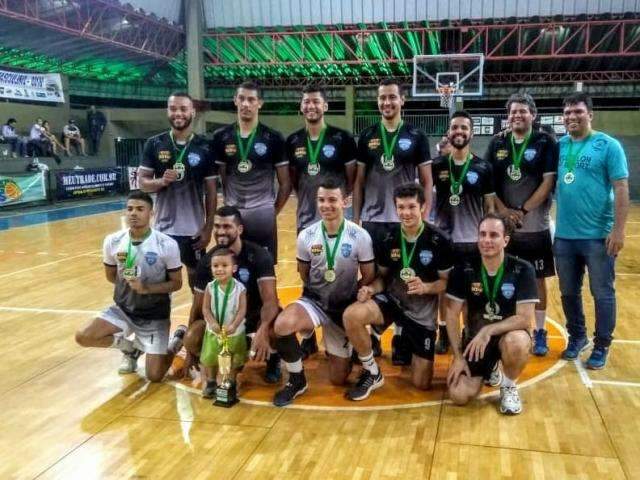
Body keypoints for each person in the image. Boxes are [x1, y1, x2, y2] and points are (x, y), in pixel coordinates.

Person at [342, 183, 453, 401]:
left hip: (420, 313)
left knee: (422, 384)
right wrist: (370, 289)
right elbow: (382, 278)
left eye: (411, 206)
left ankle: (405, 340)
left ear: (422, 207)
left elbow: (447, 283)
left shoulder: (439, 240)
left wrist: (427, 287)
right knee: (352, 315)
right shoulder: (388, 237)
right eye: (401, 207)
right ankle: (372, 372)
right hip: (392, 301)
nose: (406, 212)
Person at [272, 178, 375, 406]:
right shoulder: (306, 236)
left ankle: (345, 346)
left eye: (332, 200)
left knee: (338, 379)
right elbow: (304, 273)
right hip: (315, 302)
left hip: (344, 307)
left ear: (345, 202)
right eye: (321, 200)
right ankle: (297, 380)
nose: (326, 205)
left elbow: (368, 275)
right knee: (282, 325)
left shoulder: (359, 236)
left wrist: (352, 300)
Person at [353, 78, 433, 365]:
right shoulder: (367, 136)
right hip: (373, 220)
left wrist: (424, 218)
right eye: (382, 98)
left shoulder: (417, 136)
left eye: (392, 97)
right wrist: (357, 219)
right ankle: (372, 335)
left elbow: (426, 181)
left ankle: (401, 336)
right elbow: (359, 182)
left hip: (404, 220)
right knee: (372, 278)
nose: (387, 102)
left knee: (403, 277)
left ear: (403, 101)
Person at [74, 191, 187, 381]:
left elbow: (177, 283)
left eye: (140, 209)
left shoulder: (167, 244)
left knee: (155, 376)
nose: (133, 213)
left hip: (154, 315)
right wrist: (128, 287)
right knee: (83, 336)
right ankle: (131, 349)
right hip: (123, 310)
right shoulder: (113, 241)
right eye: (130, 209)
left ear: (151, 213)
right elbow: (111, 276)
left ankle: (176, 340)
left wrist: (146, 289)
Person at [554, 92, 629, 369]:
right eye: (568, 113)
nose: (572, 117)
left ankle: (601, 345)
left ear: (590, 115)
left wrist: (618, 231)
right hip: (564, 236)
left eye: (578, 112)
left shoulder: (608, 146)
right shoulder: (559, 146)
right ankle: (577, 336)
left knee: (602, 292)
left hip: (598, 237)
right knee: (568, 291)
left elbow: (621, 188)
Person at [286, 84, 358, 359]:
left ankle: (344, 329)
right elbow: (292, 180)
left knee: (345, 275)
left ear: (325, 106)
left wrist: (346, 201)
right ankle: (307, 336)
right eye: (306, 102)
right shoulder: (293, 141)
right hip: (306, 218)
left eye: (316, 102)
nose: (311, 106)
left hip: (338, 220)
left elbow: (352, 178)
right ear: (302, 107)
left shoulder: (342, 139)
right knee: (308, 277)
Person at [486, 93, 558, 356]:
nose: (517, 115)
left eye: (523, 111)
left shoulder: (545, 142)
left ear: (533, 115)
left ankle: (539, 331)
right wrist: (505, 212)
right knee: (505, 278)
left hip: (534, 226)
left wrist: (522, 210)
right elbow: (489, 183)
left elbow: (548, 182)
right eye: (513, 112)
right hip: (506, 228)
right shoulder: (497, 143)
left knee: (537, 280)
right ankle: (507, 326)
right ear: (508, 115)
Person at [445, 213, 538, 415]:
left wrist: (488, 330)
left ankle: (508, 386)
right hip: (475, 342)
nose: (487, 240)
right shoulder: (463, 269)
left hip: (508, 335)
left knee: (517, 342)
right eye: (483, 234)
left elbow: (524, 318)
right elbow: (451, 314)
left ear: (505, 240)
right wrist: (458, 356)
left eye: (494, 235)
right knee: (458, 395)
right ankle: (491, 366)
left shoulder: (523, 269)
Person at [181, 206, 281, 384]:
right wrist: (190, 352)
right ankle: (223, 356)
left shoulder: (259, 255)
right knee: (192, 337)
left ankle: (273, 358)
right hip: (222, 323)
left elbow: (271, 301)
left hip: (253, 319)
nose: (220, 232)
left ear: (239, 229)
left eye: (226, 227)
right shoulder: (207, 262)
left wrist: (263, 329)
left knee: (277, 325)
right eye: (217, 227)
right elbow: (197, 307)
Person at [431, 111, 496, 354]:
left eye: (464, 128)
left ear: (472, 133)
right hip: (444, 240)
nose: (459, 132)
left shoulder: (483, 167)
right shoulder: (437, 166)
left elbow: (489, 206)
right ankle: (443, 331)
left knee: (470, 293)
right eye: (455, 128)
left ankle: (468, 331)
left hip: (471, 241)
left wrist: (488, 238)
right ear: (449, 132)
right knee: (443, 290)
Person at [138, 92, 218, 289]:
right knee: (160, 283)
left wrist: (208, 228)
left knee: (197, 282)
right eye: (173, 109)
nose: (178, 113)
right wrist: (161, 181)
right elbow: (142, 183)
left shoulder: (205, 146)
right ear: (168, 111)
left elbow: (212, 192)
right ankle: (159, 320)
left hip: (194, 231)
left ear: (192, 111)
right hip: (162, 231)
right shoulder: (154, 143)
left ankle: (197, 320)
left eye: (183, 109)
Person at [212, 80, 291, 262]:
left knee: (264, 272)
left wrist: (272, 211)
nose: (246, 104)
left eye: (251, 99)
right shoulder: (221, 137)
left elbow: (285, 183)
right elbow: (222, 176)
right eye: (242, 99)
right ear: (235, 101)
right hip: (232, 219)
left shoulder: (273, 138)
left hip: (262, 217)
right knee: (230, 270)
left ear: (259, 103)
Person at [200, 247, 248, 397]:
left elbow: (242, 310)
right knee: (211, 358)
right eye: (215, 266)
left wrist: (234, 325)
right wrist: (212, 322)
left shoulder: (240, 289)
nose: (219, 269)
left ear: (234, 268)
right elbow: (206, 309)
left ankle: (231, 382)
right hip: (214, 332)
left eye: (224, 266)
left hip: (234, 332)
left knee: (232, 360)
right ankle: (211, 381)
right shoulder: (210, 287)